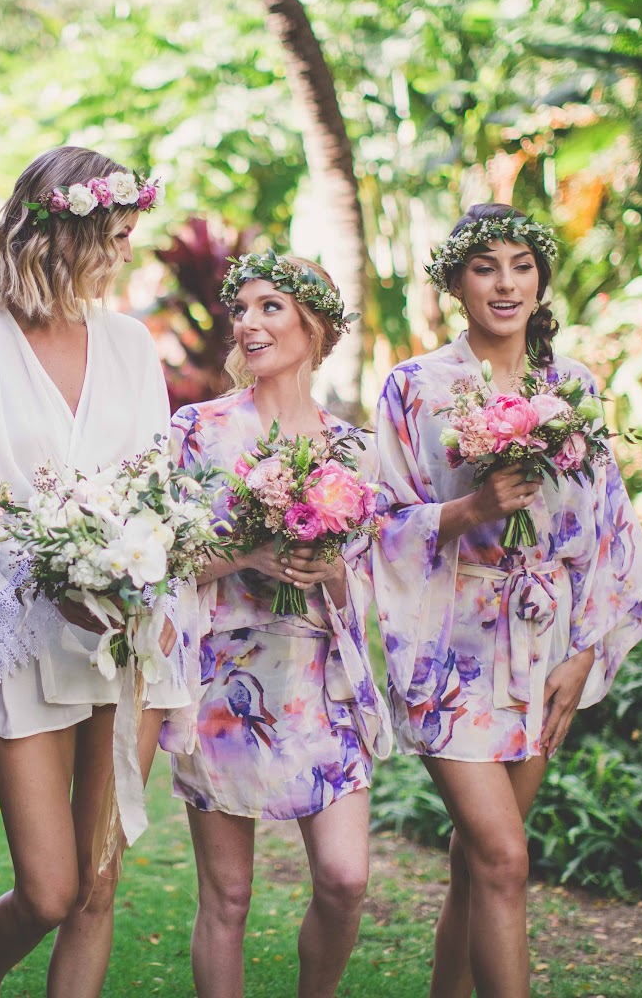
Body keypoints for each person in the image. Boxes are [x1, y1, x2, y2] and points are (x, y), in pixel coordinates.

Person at [371, 203, 642, 998]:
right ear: (455, 282)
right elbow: (377, 526)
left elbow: (606, 528)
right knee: (503, 857)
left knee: (478, 863)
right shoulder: (415, 388)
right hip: (449, 643)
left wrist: (586, 650)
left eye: (521, 265)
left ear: (541, 280)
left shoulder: (574, 386)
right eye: (485, 266)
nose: (505, 284)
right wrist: (472, 509)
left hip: (543, 644)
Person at [0, 146, 185, 998]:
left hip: (130, 637)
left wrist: (127, 579)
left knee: (98, 886)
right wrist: (59, 582)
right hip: (26, 639)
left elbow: (157, 485)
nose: (125, 253)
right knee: (49, 889)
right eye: (114, 235)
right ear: (61, 233)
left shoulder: (131, 344)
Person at [168, 253, 392, 997]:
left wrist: (326, 569)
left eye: (271, 307)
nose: (249, 323)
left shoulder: (354, 449)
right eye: (242, 309)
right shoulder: (198, 430)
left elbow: (363, 584)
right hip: (225, 680)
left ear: (314, 325)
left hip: (321, 680)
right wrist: (249, 552)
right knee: (228, 897)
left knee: (345, 879)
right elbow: (166, 561)